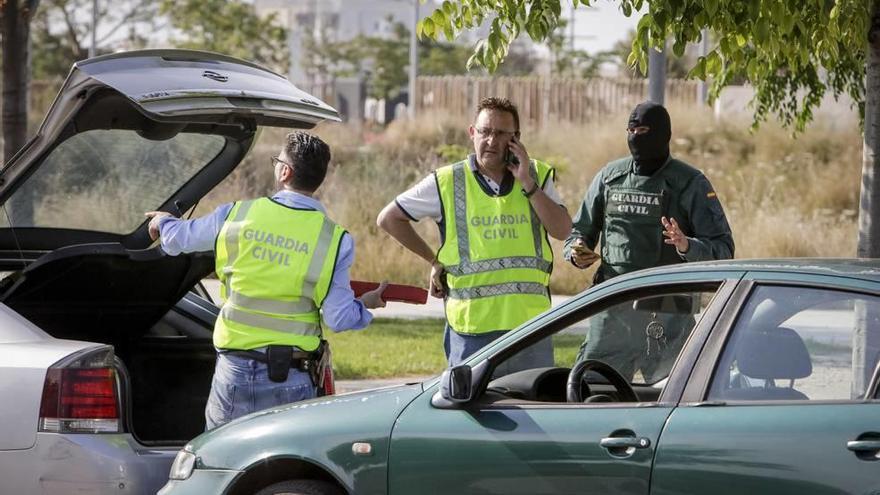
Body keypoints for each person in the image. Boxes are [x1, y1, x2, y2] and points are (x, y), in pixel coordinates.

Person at [146, 131, 387, 430]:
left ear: (285, 172)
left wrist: (162, 222)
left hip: (234, 371)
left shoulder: (237, 215)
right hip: (294, 376)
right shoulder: (335, 240)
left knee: (222, 460)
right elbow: (339, 318)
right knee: (287, 465)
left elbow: (179, 239)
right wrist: (365, 306)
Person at [377, 97, 572, 369]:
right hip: (471, 332)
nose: (491, 141)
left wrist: (527, 182)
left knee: (533, 406)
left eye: (501, 133)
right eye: (485, 132)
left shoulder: (536, 175)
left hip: (530, 329)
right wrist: (434, 261)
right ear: (472, 133)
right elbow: (388, 218)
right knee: (471, 411)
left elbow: (562, 230)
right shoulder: (447, 181)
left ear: (516, 138)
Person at [564, 100, 734, 381]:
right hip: (613, 316)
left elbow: (724, 251)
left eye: (643, 130)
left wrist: (686, 246)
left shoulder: (689, 182)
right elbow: (579, 232)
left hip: (669, 317)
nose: (635, 136)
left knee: (683, 398)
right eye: (631, 129)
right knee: (593, 395)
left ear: (663, 134)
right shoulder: (610, 178)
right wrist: (576, 251)